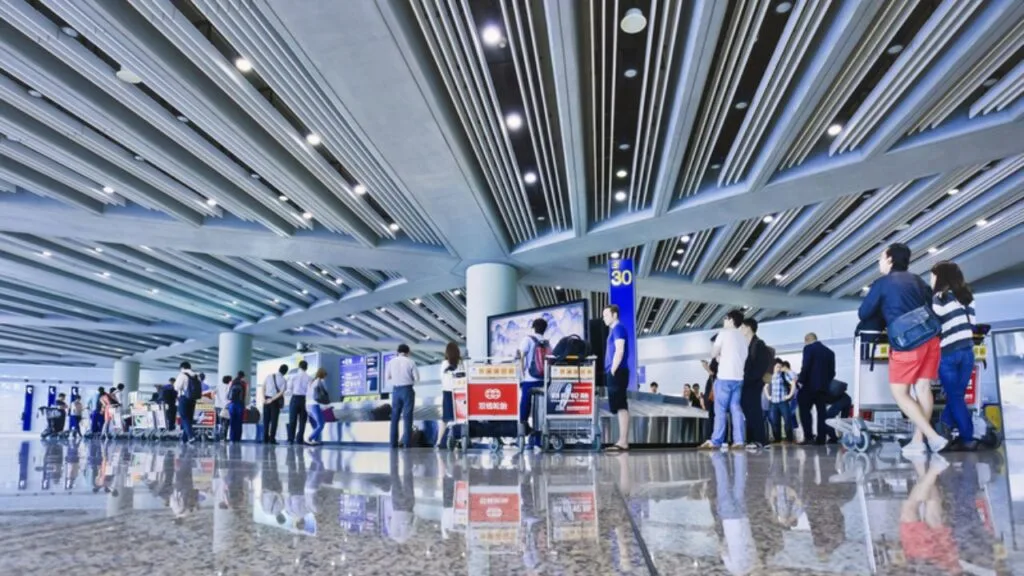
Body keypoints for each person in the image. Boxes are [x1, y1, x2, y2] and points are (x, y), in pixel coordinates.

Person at [859, 243, 948, 454]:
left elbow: (864, 312)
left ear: (890, 259)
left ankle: (933, 437)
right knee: (923, 389)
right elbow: (930, 306)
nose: (879, 261)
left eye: (881, 257)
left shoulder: (882, 283)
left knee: (900, 393)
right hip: (931, 338)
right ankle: (918, 441)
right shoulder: (918, 281)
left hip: (907, 341)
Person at [931, 261, 977, 451]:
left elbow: (934, 324)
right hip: (967, 351)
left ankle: (968, 437)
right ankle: (945, 427)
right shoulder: (967, 297)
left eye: (933, 275)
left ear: (940, 277)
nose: (931, 278)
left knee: (955, 396)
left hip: (948, 353)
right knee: (957, 395)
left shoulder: (939, 297)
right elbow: (973, 323)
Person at [700, 310, 748, 450]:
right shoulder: (742, 337)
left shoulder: (724, 333)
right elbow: (743, 358)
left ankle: (716, 441)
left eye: (726, 318)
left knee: (719, 410)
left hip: (724, 378)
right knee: (736, 408)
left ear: (731, 320)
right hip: (738, 378)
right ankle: (739, 441)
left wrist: (718, 356)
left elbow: (713, 353)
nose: (724, 321)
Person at [796, 333, 836, 445]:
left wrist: (800, 381)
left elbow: (806, 366)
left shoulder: (808, 348)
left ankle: (809, 437)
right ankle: (821, 438)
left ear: (807, 340)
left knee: (804, 411)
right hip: (823, 388)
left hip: (808, 387)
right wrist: (825, 383)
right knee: (821, 413)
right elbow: (832, 372)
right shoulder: (830, 353)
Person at [741, 318, 773, 450]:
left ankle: (760, 440)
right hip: (748, 382)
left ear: (749, 327)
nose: (741, 330)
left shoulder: (759, 344)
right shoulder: (747, 344)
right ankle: (753, 439)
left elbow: (760, 365)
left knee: (754, 410)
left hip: (753, 382)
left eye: (742, 327)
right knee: (749, 410)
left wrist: (750, 378)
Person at [603, 304, 630, 452]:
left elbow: (620, 350)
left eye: (606, 315)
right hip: (616, 372)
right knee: (619, 406)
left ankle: (623, 442)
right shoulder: (614, 330)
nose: (604, 318)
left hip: (618, 372)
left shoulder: (618, 329)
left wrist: (613, 369)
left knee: (621, 406)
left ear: (614, 315)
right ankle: (622, 441)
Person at [518, 318, 549, 444]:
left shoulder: (528, 339)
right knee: (541, 406)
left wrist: (522, 373)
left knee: (525, 403)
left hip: (530, 379)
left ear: (533, 327)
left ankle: (522, 430)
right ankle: (538, 435)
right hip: (543, 379)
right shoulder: (546, 342)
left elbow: (521, 356)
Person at [386, 344, 419, 448]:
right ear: (408, 352)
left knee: (394, 417)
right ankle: (406, 443)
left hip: (395, 391)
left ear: (398, 351)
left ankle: (393, 443)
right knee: (407, 417)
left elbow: (388, 377)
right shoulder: (411, 362)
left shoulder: (391, 362)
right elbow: (417, 378)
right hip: (407, 390)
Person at [437, 342, 463, 449]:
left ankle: (439, 441)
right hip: (460, 392)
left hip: (447, 392)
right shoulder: (461, 363)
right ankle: (462, 439)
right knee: (461, 417)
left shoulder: (444, 363)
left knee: (446, 418)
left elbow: (442, 378)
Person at [765, 359, 796, 444]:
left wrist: (789, 395)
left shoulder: (784, 375)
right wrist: (768, 396)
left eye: (780, 367)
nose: (779, 368)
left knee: (787, 420)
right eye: (777, 366)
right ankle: (777, 439)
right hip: (773, 402)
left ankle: (789, 439)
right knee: (775, 422)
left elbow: (793, 383)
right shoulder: (769, 375)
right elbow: (765, 387)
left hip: (783, 401)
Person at [173, 361, 200, 444]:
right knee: (189, 418)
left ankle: (191, 436)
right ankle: (185, 438)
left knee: (184, 417)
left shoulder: (182, 375)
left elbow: (177, 387)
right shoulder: (196, 376)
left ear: (182, 368)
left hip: (184, 398)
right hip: (193, 399)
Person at [286, 361, 312, 445]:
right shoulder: (309, 377)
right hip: (304, 400)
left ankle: (290, 439)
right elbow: (309, 391)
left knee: (292, 419)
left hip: (295, 398)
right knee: (302, 420)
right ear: (306, 367)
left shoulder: (293, 376)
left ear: (299, 366)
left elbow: (289, 389)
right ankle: (299, 439)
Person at [263, 364, 287, 444]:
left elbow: (263, 387)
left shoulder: (269, 376)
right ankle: (272, 439)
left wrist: (264, 398)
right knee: (274, 421)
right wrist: (272, 399)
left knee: (266, 420)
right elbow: (281, 393)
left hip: (266, 400)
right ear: (285, 372)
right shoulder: (283, 380)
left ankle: (265, 438)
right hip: (274, 401)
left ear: (279, 369)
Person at [307, 368, 330, 446]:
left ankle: (316, 440)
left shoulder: (312, 381)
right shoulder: (321, 381)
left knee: (316, 425)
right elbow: (326, 390)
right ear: (323, 374)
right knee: (321, 424)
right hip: (314, 404)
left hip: (308, 405)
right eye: (325, 375)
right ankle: (310, 438)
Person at [225, 374, 246, 443]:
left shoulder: (232, 383)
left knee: (232, 422)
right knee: (239, 422)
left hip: (232, 404)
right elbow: (244, 395)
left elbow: (228, 396)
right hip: (240, 404)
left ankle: (232, 438)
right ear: (242, 377)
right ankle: (238, 438)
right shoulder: (243, 384)